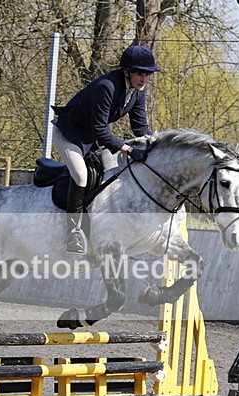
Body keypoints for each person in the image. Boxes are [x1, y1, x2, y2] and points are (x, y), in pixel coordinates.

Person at [52, 44, 159, 255]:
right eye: (139, 73)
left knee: (113, 173)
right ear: (126, 71)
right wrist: (127, 149)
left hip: (92, 139)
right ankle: (72, 232)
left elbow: (139, 126)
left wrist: (155, 143)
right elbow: (100, 128)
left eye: (147, 75)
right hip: (69, 135)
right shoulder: (107, 86)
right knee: (81, 176)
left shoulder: (138, 91)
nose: (144, 79)